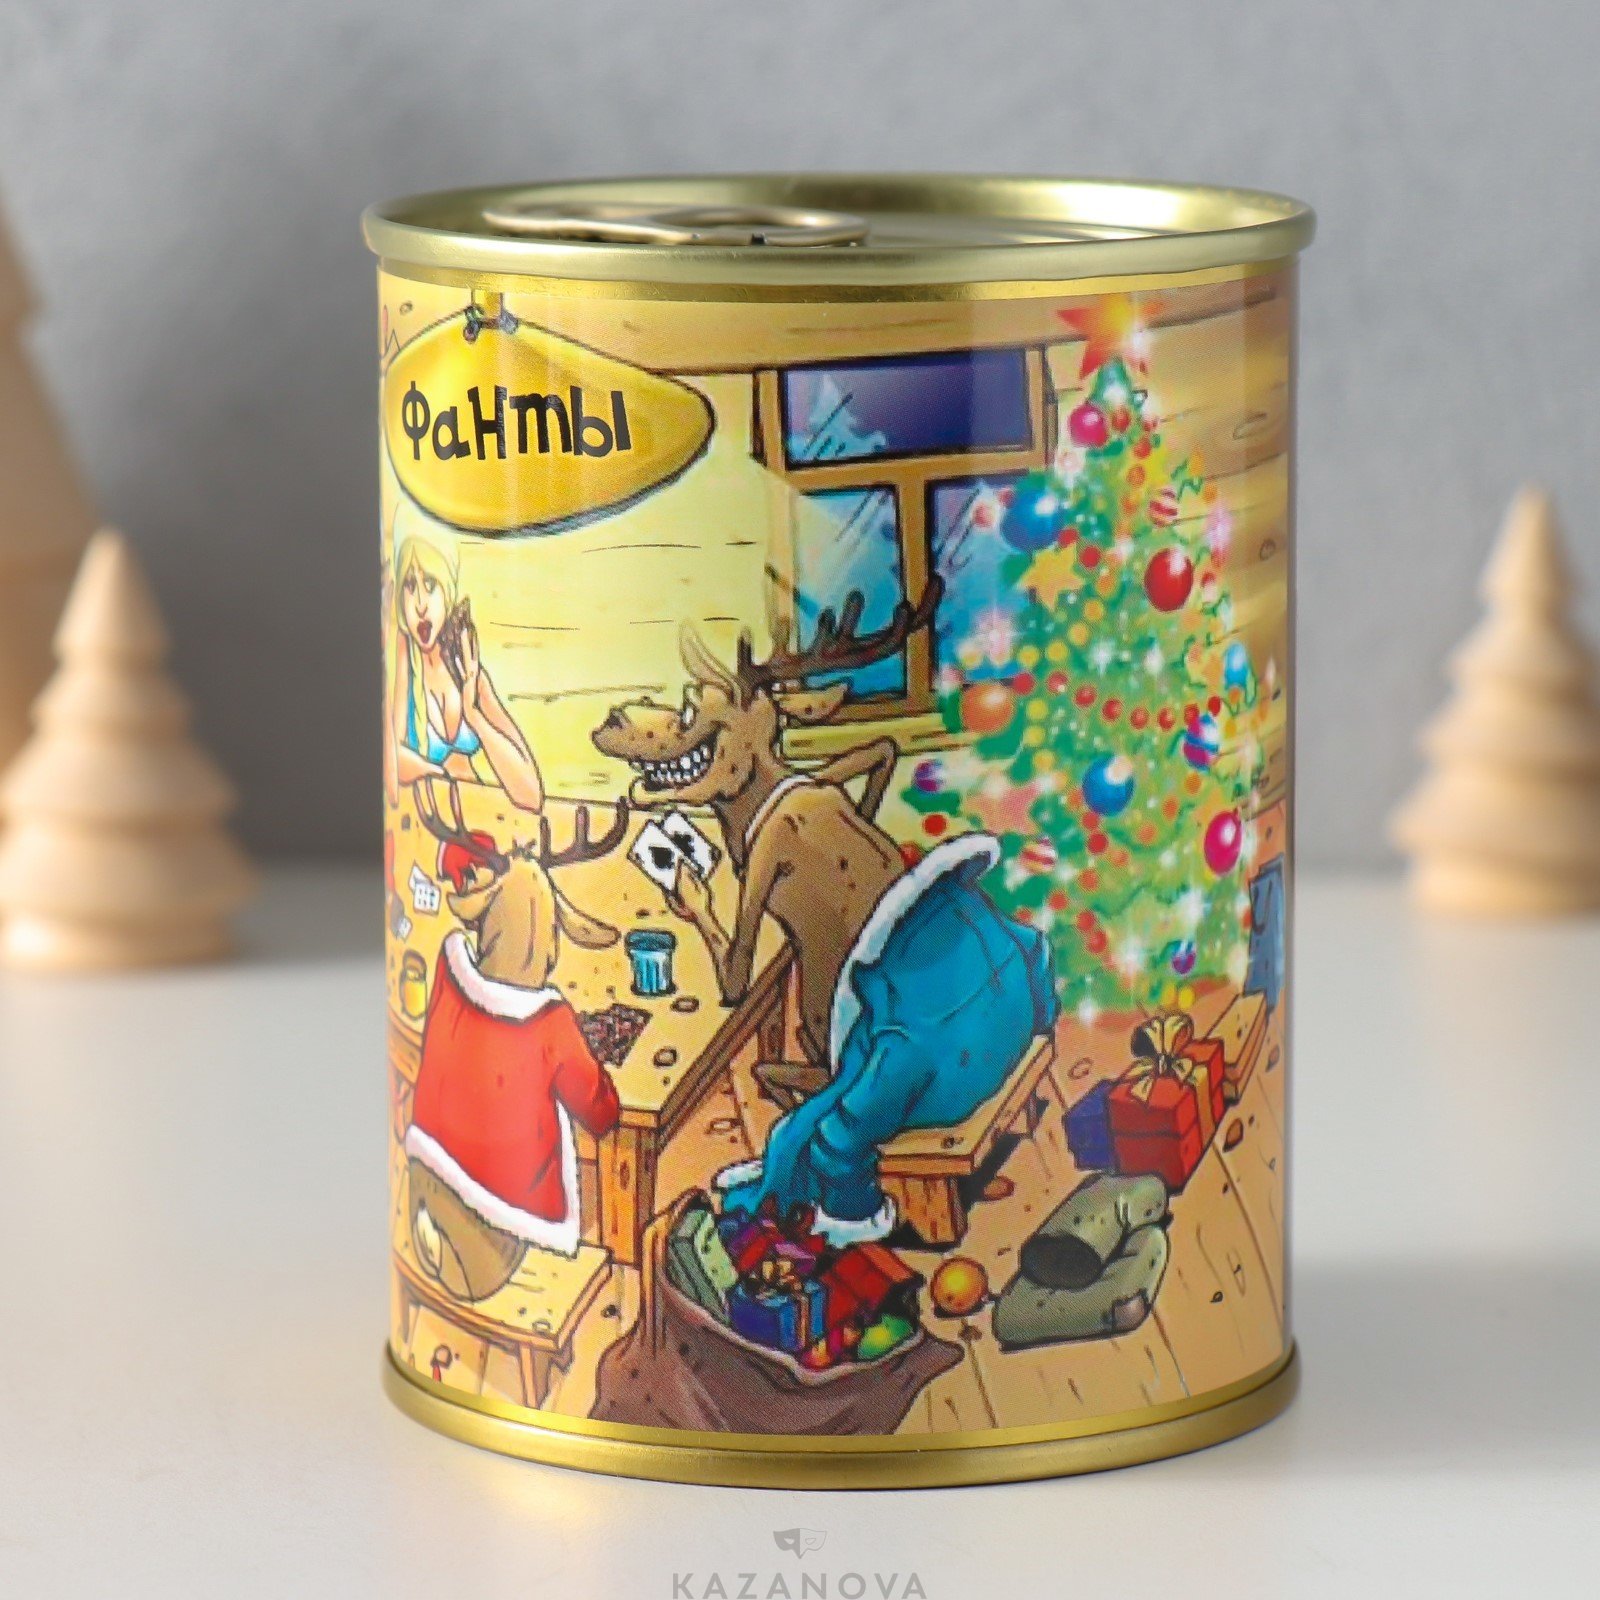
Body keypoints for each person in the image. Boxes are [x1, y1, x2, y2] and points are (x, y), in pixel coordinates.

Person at [386, 536, 544, 811]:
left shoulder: (467, 671)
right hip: (437, 823)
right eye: (410, 587)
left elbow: (531, 794)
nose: (420, 604)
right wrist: (440, 775)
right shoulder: (405, 664)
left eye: (430, 585)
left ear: (447, 591)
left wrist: (473, 715)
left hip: (477, 818)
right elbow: (393, 763)